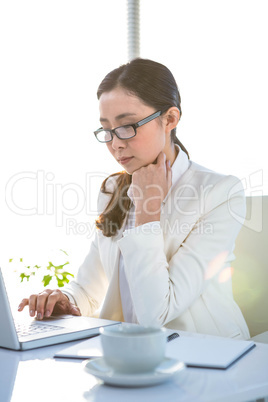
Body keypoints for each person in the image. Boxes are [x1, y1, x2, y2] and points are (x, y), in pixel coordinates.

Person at [18, 58, 250, 339]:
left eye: (127, 126)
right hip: (129, 354)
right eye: (106, 129)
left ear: (170, 119)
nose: (115, 143)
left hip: (207, 355)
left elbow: (157, 314)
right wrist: (67, 300)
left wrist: (148, 210)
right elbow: (92, 287)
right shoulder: (113, 189)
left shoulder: (220, 192)